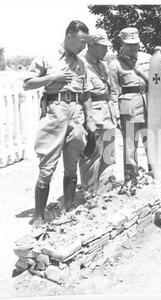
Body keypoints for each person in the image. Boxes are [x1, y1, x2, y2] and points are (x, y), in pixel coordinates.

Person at [23, 20, 96, 225]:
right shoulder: (47, 57)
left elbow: (87, 93)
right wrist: (52, 77)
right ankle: (38, 216)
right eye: (81, 41)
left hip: (76, 115)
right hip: (55, 113)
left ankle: (68, 210)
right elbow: (27, 84)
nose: (83, 47)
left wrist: (89, 119)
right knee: (47, 166)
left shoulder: (81, 64)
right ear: (69, 36)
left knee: (72, 165)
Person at [108, 27, 152, 182]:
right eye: (129, 44)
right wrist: (116, 115)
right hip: (129, 108)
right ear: (122, 44)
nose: (133, 47)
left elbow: (159, 81)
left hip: (149, 105)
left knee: (151, 141)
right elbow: (113, 93)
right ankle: (131, 178)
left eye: (135, 44)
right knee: (130, 146)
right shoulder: (115, 64)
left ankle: (154, 174)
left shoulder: (148, 58)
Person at [79, 31, 119, 194]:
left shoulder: (102, 65)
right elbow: (82, 94)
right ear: (91, 45)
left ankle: (105, 192)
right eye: (103, 47)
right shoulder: (81, 64)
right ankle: (90, 194)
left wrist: (115, 112)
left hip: (108, 115)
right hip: (93, 117)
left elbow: (111, 89)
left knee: (108, 156)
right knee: (91, 157)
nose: (106, 51)